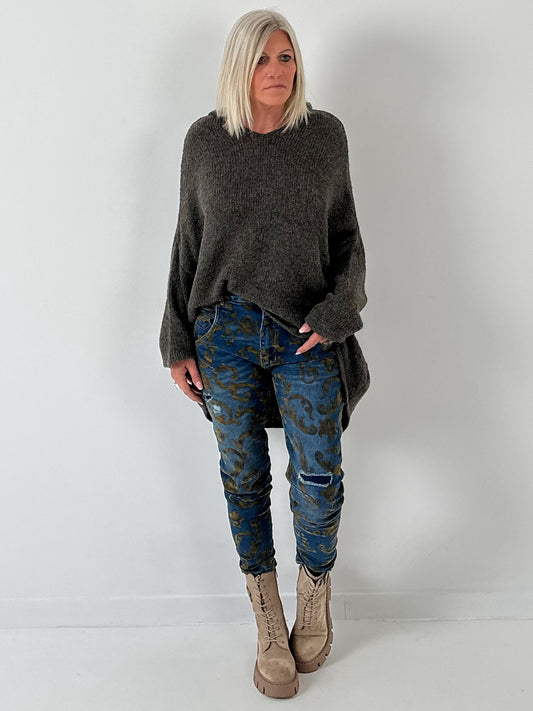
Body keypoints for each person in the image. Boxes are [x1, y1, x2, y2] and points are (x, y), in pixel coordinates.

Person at [159, 8, 370, 699]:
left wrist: (336, 314)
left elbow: (347, 237)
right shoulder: (205, 141)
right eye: (261, 58)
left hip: (304, 330)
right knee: (243, 477)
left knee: (318, 475)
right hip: (222, 333)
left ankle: (313, 591)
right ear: (238, 66)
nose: (276, 70)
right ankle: (268, 619)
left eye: (285, 57)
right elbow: (188, 241)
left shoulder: (324, 136)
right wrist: (175, 338)